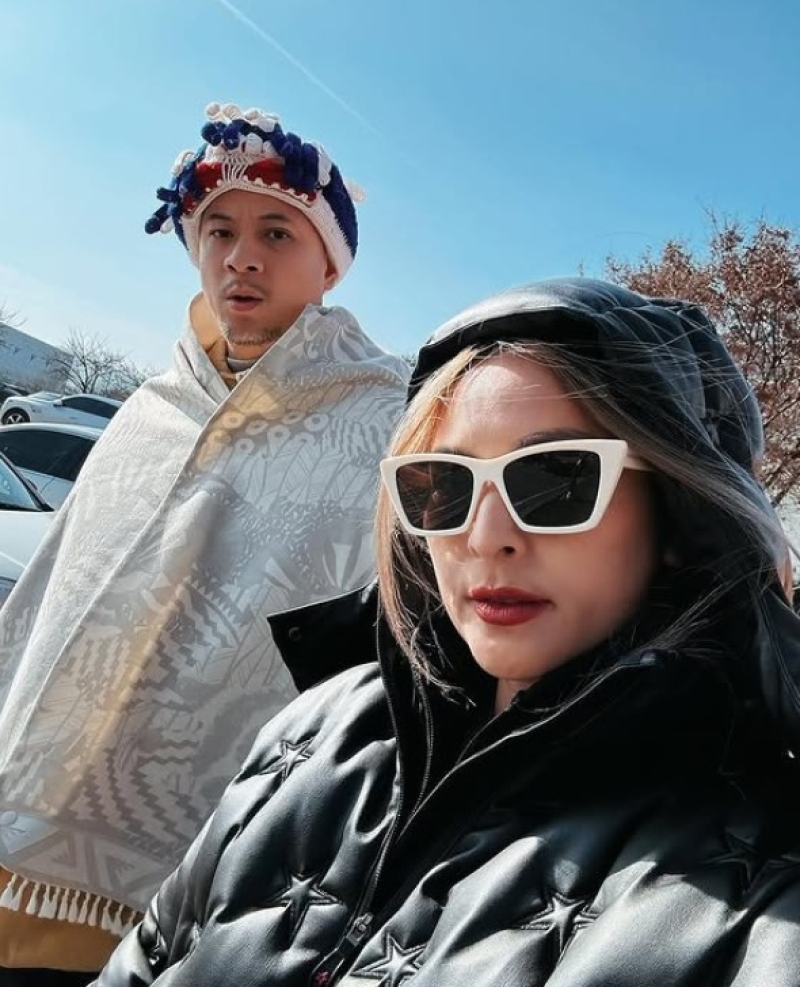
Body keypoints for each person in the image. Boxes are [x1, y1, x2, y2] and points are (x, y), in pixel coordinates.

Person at [92, 276, 800, 987]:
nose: (484, 536)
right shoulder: (318, 725)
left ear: (679, 514)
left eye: (555, 479)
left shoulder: (764, 891)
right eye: (442, 485)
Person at [0, 103, 409, 981]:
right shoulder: (153, 405)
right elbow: (57, 592)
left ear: (330, 264)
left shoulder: (385, 421)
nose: (241, 256)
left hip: (180, 890)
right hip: (18, 838)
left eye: (276, 232)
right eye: (219, 230)